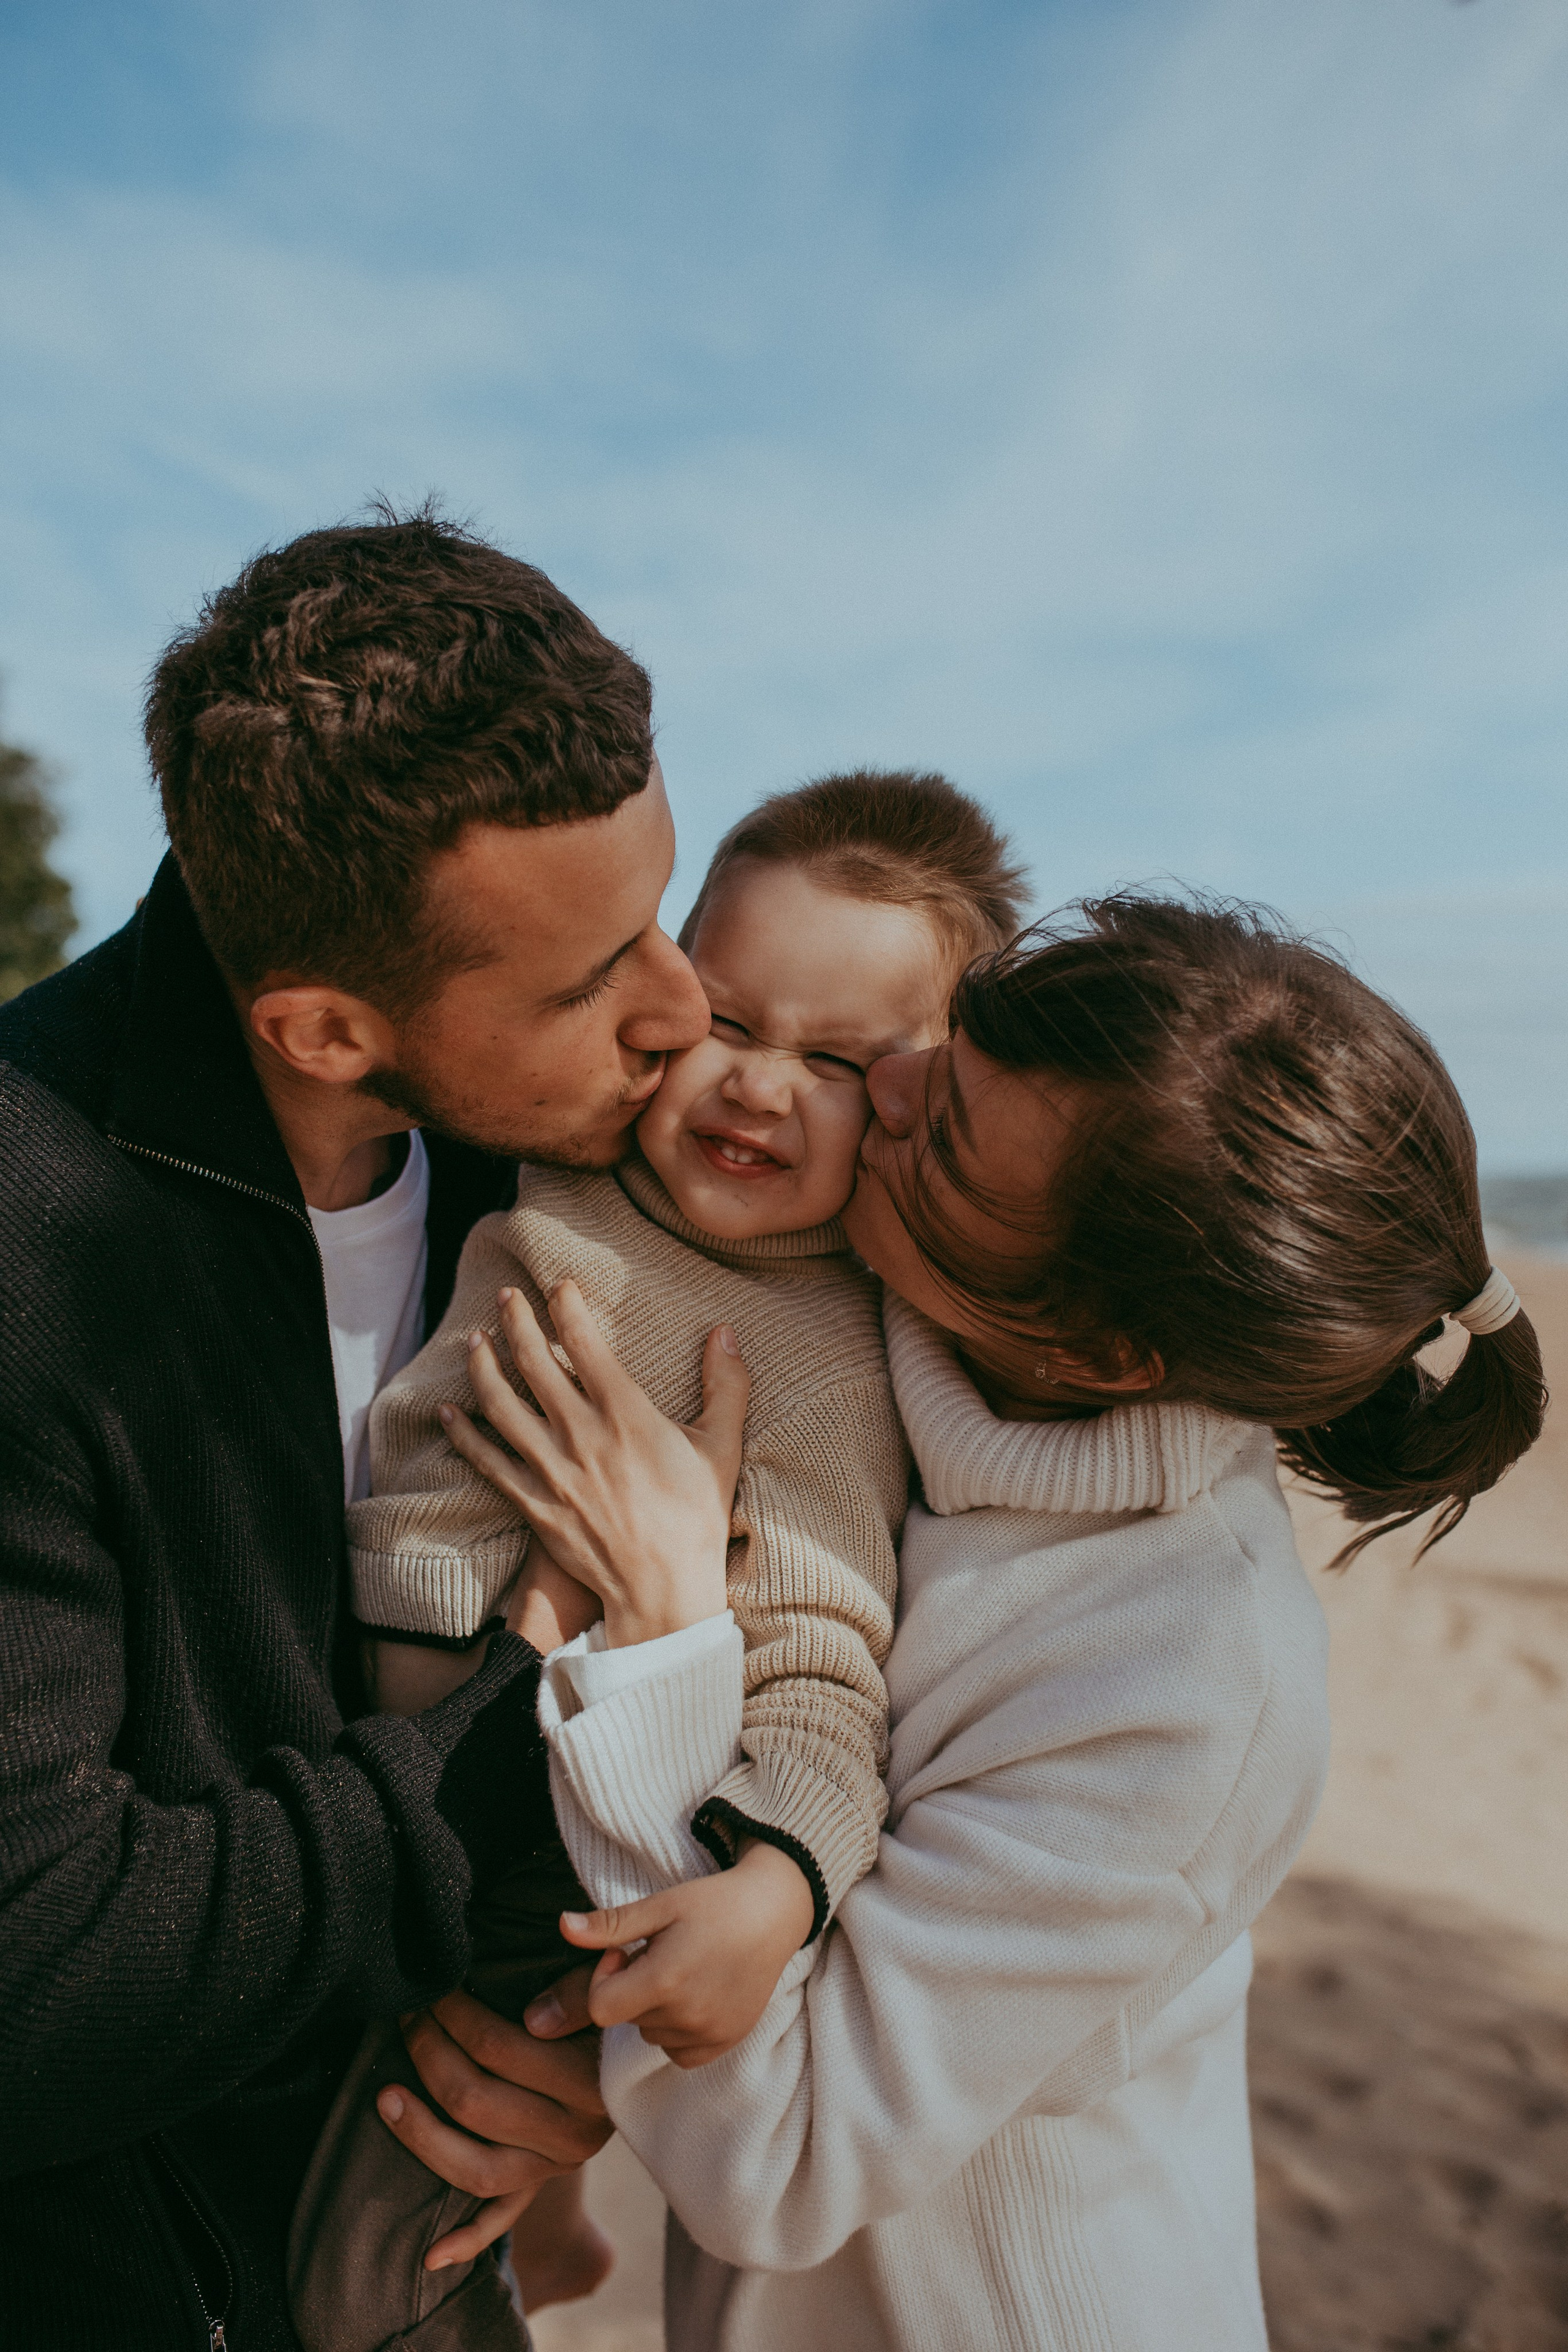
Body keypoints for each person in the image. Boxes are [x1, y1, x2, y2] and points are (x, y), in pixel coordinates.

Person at [442, 895, 1546, 2351]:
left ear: (1094, 1350)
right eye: (943, 1049)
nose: (880, 1083)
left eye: (941, 1132)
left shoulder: (1183, 1684)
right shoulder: (908, 1320)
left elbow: (780, 2160)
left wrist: (660, 1625)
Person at [0, 506, 715, 2351]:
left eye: (665, 907)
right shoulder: (24, 1240)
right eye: (592, 977)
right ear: (322, 1028)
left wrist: (564, 2054)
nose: (686, 1010)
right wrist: (536, 1702)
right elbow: (38, 1981)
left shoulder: (589, 1169)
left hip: (420, 2263)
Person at [286, 769, 1029, 2350]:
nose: (761, 1086)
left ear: (917, 1106)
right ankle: (551, 2234)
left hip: (546, 1838)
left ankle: (526, 2249)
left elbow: (825, 1664)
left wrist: (783, 1880)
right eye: (731, 1021)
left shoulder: (817, 1362)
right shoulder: (556, 1154)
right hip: (367, 1756)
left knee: (357, 2269)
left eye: (839, 1063)